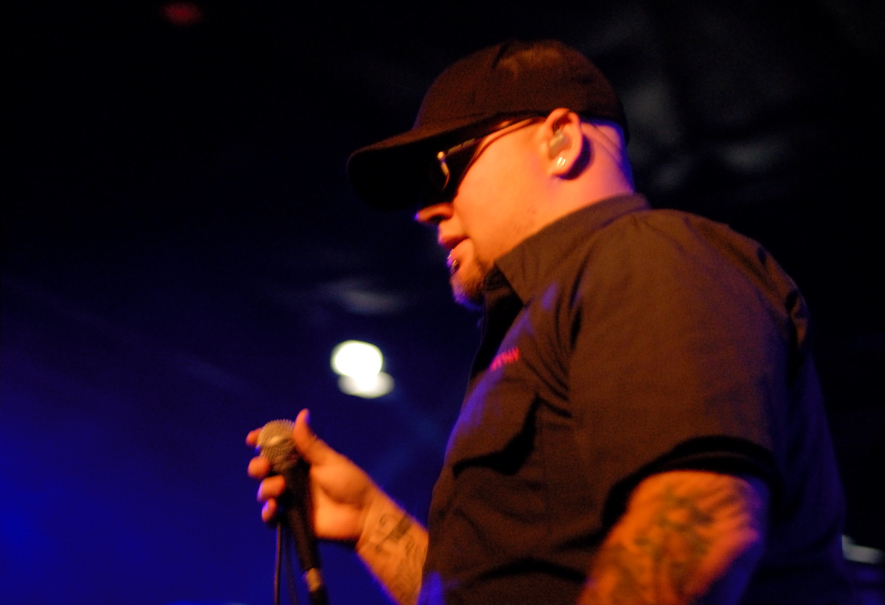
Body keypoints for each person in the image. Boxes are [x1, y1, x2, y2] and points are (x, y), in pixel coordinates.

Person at [248, 39, 854, 605]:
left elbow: (698, 526)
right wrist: (370, 522)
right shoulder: (544, 317)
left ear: (560, 139)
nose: (426, 210)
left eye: (443, 169)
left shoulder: (643, 256)